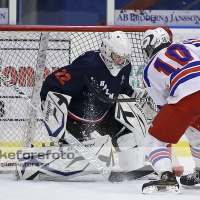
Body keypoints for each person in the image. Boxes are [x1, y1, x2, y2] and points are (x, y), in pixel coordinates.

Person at [14, 31, 151, 181]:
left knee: (128, 134)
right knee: (81, 159)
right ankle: (29, 162)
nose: (121, 62)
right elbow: (53, 81)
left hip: (103, 115)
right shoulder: (89, 64)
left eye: (124, 58)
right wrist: (48, 104)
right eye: (118, 57)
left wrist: (137, 95)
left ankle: (132, 168)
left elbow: (122, 89)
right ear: (106, 50)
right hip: (74, 120)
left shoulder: (125, 66)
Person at [140, 27, 200, 194]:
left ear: (149, 46)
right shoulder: (187, 44)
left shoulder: (148, 70)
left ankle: (166, 177)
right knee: (196, 132)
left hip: (187, 97)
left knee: (153, 140)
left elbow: (164, 105)